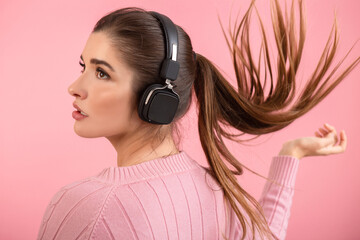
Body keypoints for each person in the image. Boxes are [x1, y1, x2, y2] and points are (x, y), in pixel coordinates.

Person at [37, 0, 358, 239]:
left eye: (101, 72)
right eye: (84, 67)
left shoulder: (86, 208)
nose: (75, 88)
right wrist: (292, 154)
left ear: (156, 99)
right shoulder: (214, 187)